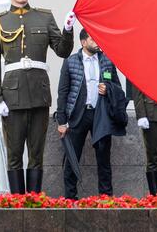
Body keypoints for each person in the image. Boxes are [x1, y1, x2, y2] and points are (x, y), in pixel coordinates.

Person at [0, 0, 74, 193]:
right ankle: (17, 204)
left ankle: (33, 202)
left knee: (37, 153)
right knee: (14, 153)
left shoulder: (44, 17)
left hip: (38, 94)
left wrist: (67, 29)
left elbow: (63, 51)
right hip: (12, 97)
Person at [55, 29, 123, 198]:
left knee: (103, 158)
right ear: (83, 42)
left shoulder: (107, 60)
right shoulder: (71, 62)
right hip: (78, 115)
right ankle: (70, 198)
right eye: (93, 39)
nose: (97, 42)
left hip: (101, 116)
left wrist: (108, 89)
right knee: (72, 158)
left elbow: (118, 88)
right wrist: (62, 122)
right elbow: (63, 93)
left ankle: (106, 198)